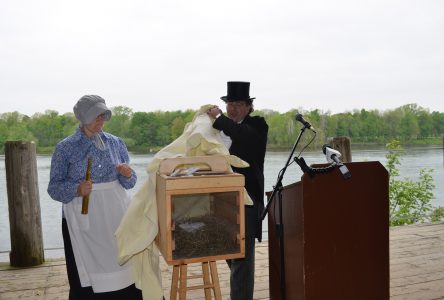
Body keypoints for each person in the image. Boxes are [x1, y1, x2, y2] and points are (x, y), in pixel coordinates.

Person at [47, 95, 142, 299]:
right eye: (96, 117)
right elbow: (54, 188)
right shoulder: (65, 148)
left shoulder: (116, 143)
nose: (101, 121)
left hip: (116, 214)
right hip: (84, 216)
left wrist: (127, 174)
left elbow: (130, 182)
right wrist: (76, 189)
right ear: (83, 118)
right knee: (89, 271)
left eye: (103, 116)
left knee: (124, 262)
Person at [207, 81, 268, 300]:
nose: (234, 108)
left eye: (239, 104)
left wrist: (220, 119)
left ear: (248, 107)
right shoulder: (218, 130)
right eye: (230, 103)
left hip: (248, 199)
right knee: (229, 251)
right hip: (222, 199)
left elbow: (244, 135)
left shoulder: (258, 125)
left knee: (243, 257)